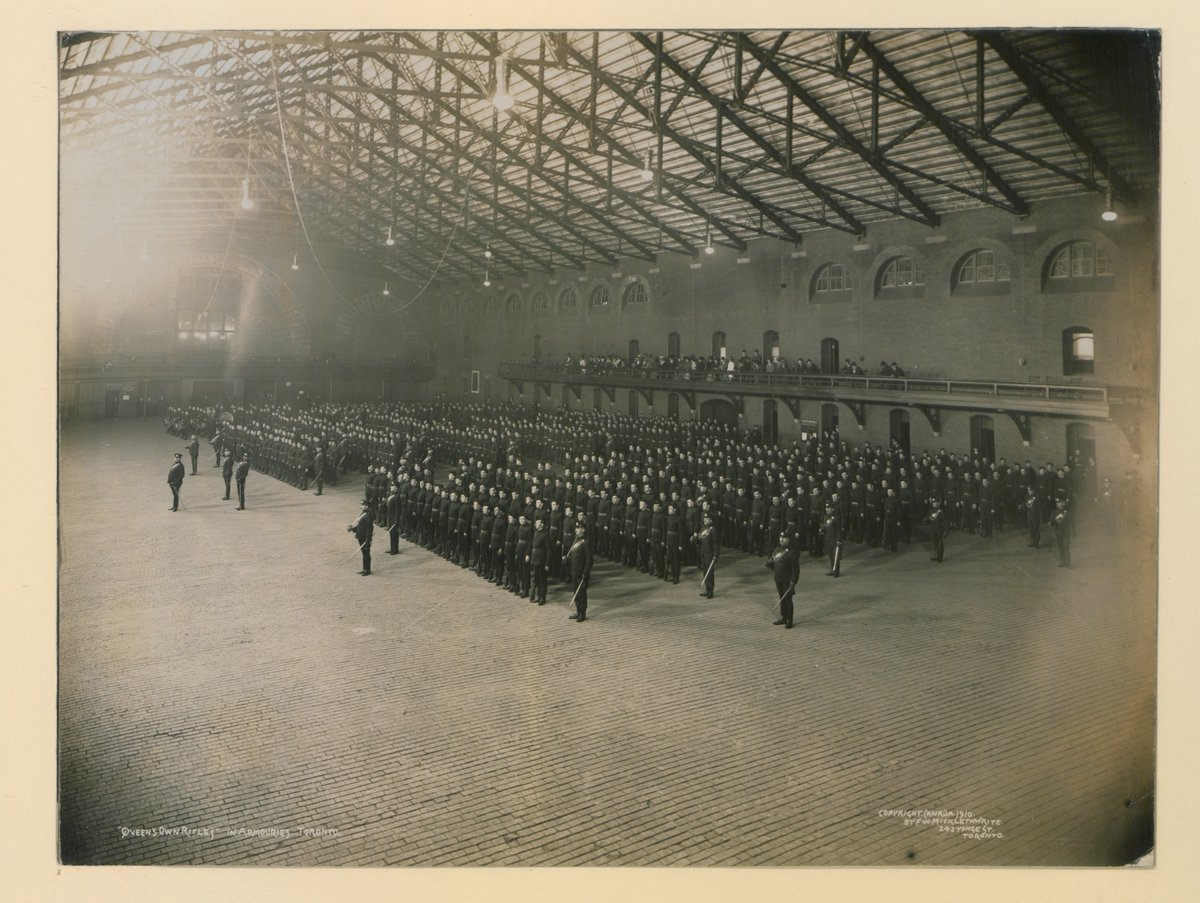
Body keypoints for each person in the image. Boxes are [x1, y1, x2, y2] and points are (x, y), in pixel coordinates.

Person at [767, 532, 798, 628]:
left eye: (783, 538)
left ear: (788, 539)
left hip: (787, 579)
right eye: (780, 537)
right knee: (781, 598)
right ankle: (783, 617)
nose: (781, 539)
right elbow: (774, 562)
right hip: (778, 578)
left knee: (788, 599)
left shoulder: (792, 552)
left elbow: (796, 569)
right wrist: (770, 564)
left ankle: (790, 620)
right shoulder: (777, 549)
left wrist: (793, 581)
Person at [563, 525, 593, 622]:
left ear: (583, 530)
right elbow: (574, 555)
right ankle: (578, 610)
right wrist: (567, 559)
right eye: (576, 528)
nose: (576, 529)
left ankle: (582, 613)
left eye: (579, 528)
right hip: (574, 570)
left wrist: (586, 572)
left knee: (581, 593)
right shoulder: (575, 540)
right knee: (575, 592)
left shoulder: (586, 542)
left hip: (581, 572)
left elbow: (589, 560)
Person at [695, 514, 719, 599]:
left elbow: (716, 544)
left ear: (711, 520)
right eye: (704, 519)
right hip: (703, 553)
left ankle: (710, 591)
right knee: (705, 572)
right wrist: (694, 539)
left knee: (710, 573)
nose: (705, 520)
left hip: (710, 554)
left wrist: (715, 555)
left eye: (707, 519)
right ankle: (707, 589)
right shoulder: (703, 528)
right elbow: (698, 539)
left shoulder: (713, 530)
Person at [348, 500, 373, 576]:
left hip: (365, 537)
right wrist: (352, 529)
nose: (361, 506)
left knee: (366, 553)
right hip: (360, 536)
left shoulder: (368, 515)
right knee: (364, 553)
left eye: (363, 505)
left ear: (367, 506)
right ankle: (364, 568)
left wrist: (368, 540)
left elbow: (369, 528)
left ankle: (367, 570)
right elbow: (360, 526)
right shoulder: (363, 514)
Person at [1052, 499, 1071, 567]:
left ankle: (1068, 563)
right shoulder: (1055, 512)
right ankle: (1062, 562)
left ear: (1064, 503)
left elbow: (1070, 522)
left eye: (1061, 502)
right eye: (1058, 502)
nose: (1059, 504)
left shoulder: (1067, 512)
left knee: (1066, 547)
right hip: (1058, 532)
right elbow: (1051, 522)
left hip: (1066, 532)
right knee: (1061, 547)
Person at [929, 497, 947, 563]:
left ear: (938, 503)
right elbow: (930, 518)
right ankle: (936, 555)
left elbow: (944, 521)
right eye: (933, 503)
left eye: (936, 502)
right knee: (934, 543)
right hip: (933, 529)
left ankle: (940, 557)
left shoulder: (941, 511)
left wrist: (945, 530)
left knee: (940, 543)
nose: (934, 504)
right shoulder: (931, 510)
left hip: (939, 529)